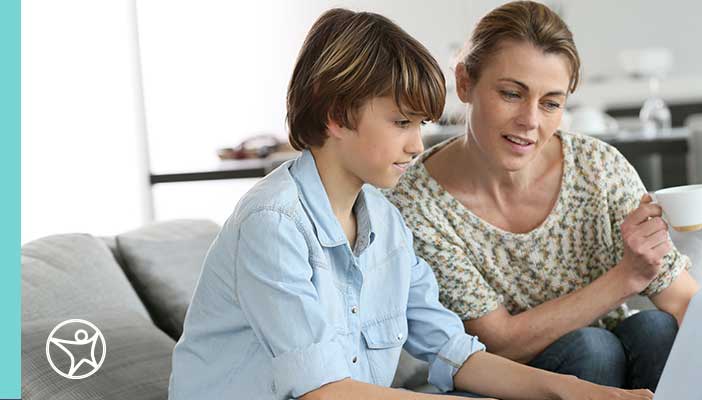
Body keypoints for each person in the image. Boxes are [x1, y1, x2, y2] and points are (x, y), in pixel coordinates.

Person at [168, 7, 656, 400]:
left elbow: (455, 353)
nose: (418, 146)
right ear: (338, 115)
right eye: (402, 123)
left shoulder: (385, 220)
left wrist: (576, 391)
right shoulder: (274, 223)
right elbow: (324, 391)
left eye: (421, 126)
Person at [386, 0, 699, 392]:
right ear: (465, 82)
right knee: (593, 348)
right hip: (509, 380)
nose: (530, 121)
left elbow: (684, 301)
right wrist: (627, 277)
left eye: (551, 103)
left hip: (615, 364)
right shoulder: (417, 204)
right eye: (512, 94)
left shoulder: (598, 169)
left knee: (657, 327)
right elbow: (498, 342)